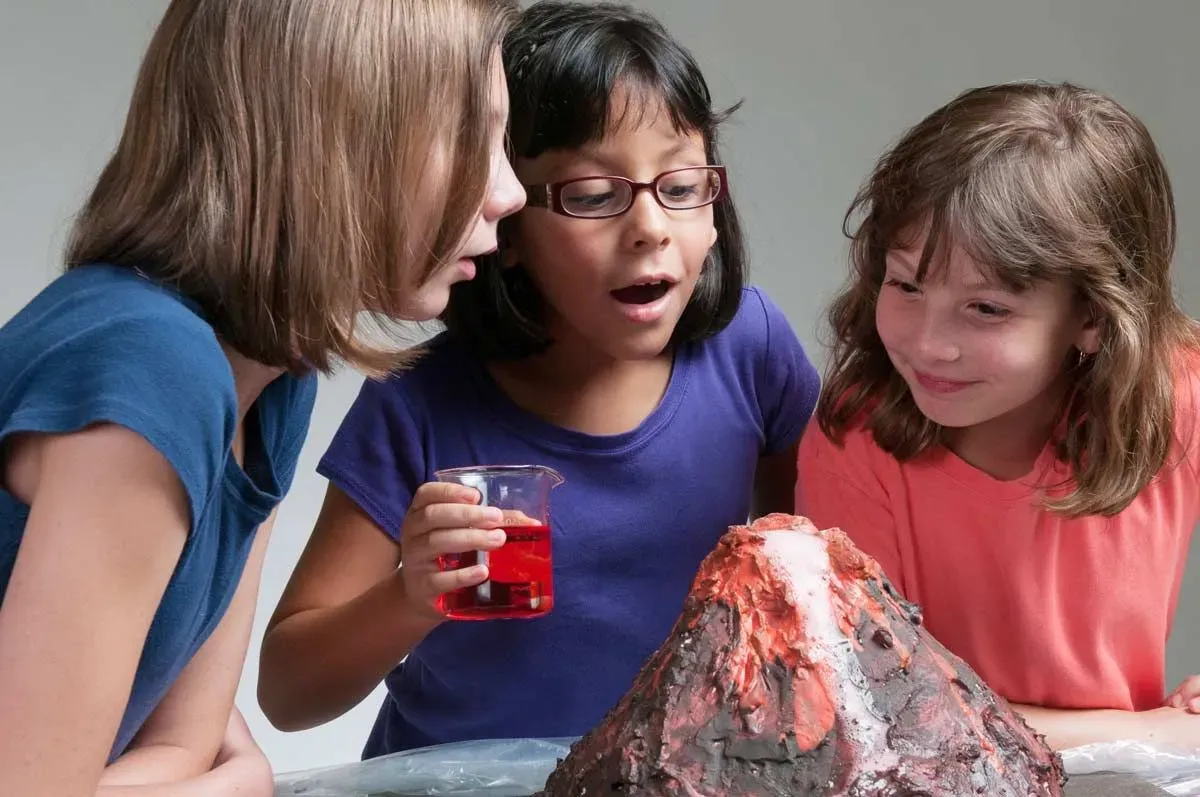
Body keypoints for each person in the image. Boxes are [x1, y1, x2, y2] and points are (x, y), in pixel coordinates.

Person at [258, 0, 819, 758]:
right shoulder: (420, 401)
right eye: (592, 195)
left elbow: (818, 575)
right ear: (506, 223)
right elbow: (287, 692)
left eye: (681, 186)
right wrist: (410, 594)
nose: (651, 226)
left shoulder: (750, 348)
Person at [0, 0, 524, 793]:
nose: (511, 189)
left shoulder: (276, 374)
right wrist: (237, 783)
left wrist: (221, 774)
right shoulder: (154, 365)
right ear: (338, 141)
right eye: (470, 134)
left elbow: (186, 739)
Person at [796, 80, 1200, 751]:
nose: (928, 343)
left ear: (1094, 317)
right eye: (905, 284)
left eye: (986, 308)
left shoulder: (1178, 390)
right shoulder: (857, 436)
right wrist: (1157, 730)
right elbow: (883, 718)